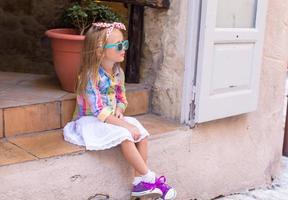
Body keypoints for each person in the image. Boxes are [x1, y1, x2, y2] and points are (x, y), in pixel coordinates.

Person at [63, 22, 177, 200]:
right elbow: (99, 111)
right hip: (90, 120)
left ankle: (139, 182)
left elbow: (122, 98)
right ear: (100, 51)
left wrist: (119, 109)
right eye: (119, 46)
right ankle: (150, 177)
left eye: (125, 44)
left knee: (141, 134)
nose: (124, 48)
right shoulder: (90, 76)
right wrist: (124, 125)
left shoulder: (118, 72)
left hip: (110, 118)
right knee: (126, 135)